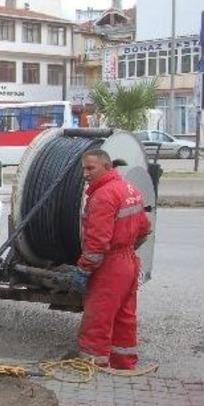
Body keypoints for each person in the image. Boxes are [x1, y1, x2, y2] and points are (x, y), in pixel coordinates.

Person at [76, 149, 151, 370]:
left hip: (111, 266)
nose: (85, 173)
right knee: (124, 318)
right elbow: (145, 229)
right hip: (128, 262)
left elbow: (97, 243)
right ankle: (124, 364)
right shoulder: (130, 189)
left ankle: (93, 366)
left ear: (107, 167)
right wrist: (127, 248)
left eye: (91, 168)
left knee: (97, 319)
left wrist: (84, 269)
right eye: (83, 168)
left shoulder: (103, 196)